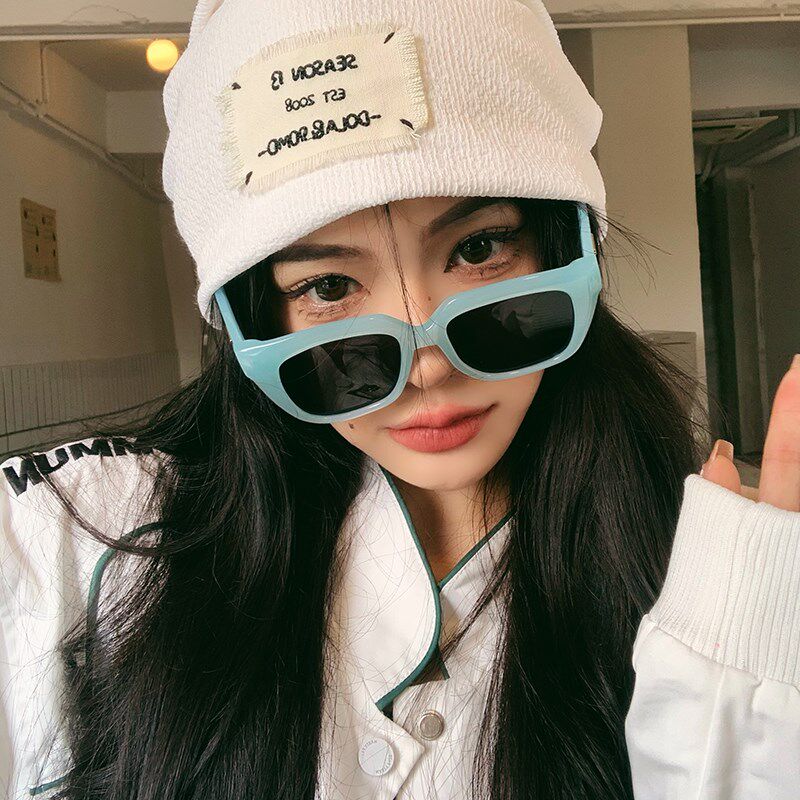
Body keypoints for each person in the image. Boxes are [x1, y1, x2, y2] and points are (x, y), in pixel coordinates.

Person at [1, 1, 799, 799]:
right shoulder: (84, 535)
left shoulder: (702, 569)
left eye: (479, 248)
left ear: (564, 244)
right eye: (327, 287)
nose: (429, 366)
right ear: (254, 319)